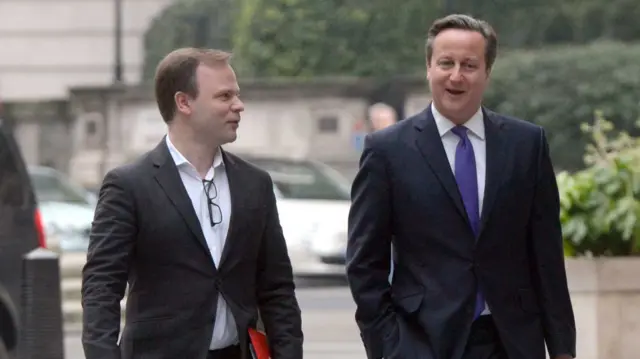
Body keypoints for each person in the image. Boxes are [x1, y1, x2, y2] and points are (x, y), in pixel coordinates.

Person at [346, 14, 576, 359]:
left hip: (512, 341)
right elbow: (365, 262)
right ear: (428, 68)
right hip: (422, 341)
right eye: (445, 63)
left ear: (487, 72)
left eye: (469, 65)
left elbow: (546, 255)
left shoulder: (527, 144)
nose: (456, 76)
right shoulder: (386, 151)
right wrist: (387, 346)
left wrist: (562, 348)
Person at [81, 48, 303, 359]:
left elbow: (277, 289)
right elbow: (101, 287)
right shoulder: (129, 185)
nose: (239, 106)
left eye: (236, 95)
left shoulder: (255, 184)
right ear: (184, 102)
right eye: (224, 96)